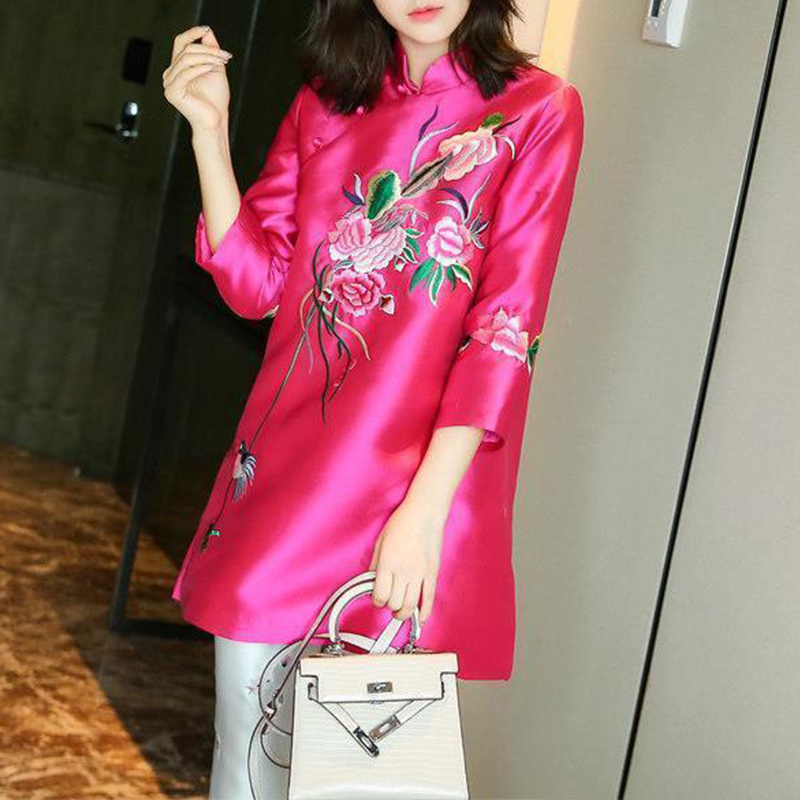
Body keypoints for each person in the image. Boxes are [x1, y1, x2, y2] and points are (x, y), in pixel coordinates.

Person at [163, 0, 584, 796]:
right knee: (246, 755)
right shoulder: (326, 102)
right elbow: (258, 286)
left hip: (412, 499)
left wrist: (422, 516)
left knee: (362, 774)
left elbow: (504, 330)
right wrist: (209, 134)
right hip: (284, 483)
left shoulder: (537, 112)